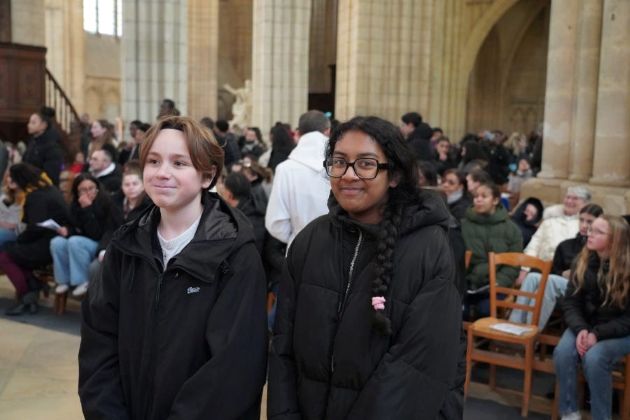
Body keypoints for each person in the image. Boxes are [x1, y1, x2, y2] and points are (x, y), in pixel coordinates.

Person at [268, 116, 462, 419]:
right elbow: (283, 346)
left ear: (394, 175)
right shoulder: (310, 240)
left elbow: (417, 365)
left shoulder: (428, 248)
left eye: (366, 164)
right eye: (339, 162)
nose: (348, 175)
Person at [78, 116, 267, 419]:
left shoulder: (235, 254)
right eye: (153, 161)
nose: (162, 173)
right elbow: (98, 344)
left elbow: (234, 368)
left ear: (207, 176)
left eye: (179, 163)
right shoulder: (125, 246)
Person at [553, 215, 630, 420]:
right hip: (586, 325)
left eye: (598, 231)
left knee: (595, 357)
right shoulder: (582, 260)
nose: (589, 233)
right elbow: (571, 302)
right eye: (590, 229)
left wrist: (597, 334)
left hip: (621, 331)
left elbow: (627, 319)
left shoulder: (627, 267)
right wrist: (581, 329)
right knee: (563, 352)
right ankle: (569, 412)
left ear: (615, 239)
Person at [509, 204, 603, 329]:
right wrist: (563, 274)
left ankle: (529, 330)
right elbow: (553, 270)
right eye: (581, 220)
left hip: (583, 290)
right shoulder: (566, 245)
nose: (584, 225)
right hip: (560, 286)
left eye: (589, 221)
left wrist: (575, 274)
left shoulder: (599, 247)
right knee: (532, 277)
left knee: (550, 281)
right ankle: (513, 325)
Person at [0, 163, 70, 315]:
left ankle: (27, 294)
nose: (9, 180)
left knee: (5, 255)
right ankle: (33, 286)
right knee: (10, 249)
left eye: (12, 177)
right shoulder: (48, 189)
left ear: (20, 179)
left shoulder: (36, 196)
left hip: (47, 245)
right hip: (51, 241)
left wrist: (19, 240)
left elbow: (35, 228)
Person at [265, 110, 331, 247]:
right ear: (328, 131)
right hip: (337, 247)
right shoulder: (341, 164)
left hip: (300, 247)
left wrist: (298, 237)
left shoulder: (285, 169)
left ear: (298, 133)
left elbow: (275, 223)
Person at [462, 180, 522, 318]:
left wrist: (497, 282)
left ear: (495, 200)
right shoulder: (463, 225)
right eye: (476, 196)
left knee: (484, 310)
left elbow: (513, 264)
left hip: (496, 285)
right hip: (467, 284)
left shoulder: (511, 229)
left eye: (484, 196)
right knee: (457, 309)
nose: (478, 200)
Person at [50, 174, 117, 298]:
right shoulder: (76, 204)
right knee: (57, 242)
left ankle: (82, 281)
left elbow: (97, 233)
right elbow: (76, 227)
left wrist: (88, 209)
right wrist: (68, 231)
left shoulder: (106, 202)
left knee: (75, 241)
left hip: (100, 244)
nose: (88, 192)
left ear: (97, 188)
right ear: (77, 192)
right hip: (82, 242)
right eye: (83, 190)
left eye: (91, 188)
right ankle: (63, 280)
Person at [515, 186, 591, 287]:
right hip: (540, 268)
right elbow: (533, 247)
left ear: (585, 203)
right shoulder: (550, 221)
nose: (569, 201)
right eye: (568, 197)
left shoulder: (585, 226)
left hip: (565, 273)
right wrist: (525, 269)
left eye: (575, 198)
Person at [22, 107, 64, 186]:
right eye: (29, 122)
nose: (29, 125)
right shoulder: (33, 142)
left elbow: (51, 175)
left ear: (44, 125)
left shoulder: (52, 147)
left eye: (33, 123)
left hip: (43, 187)